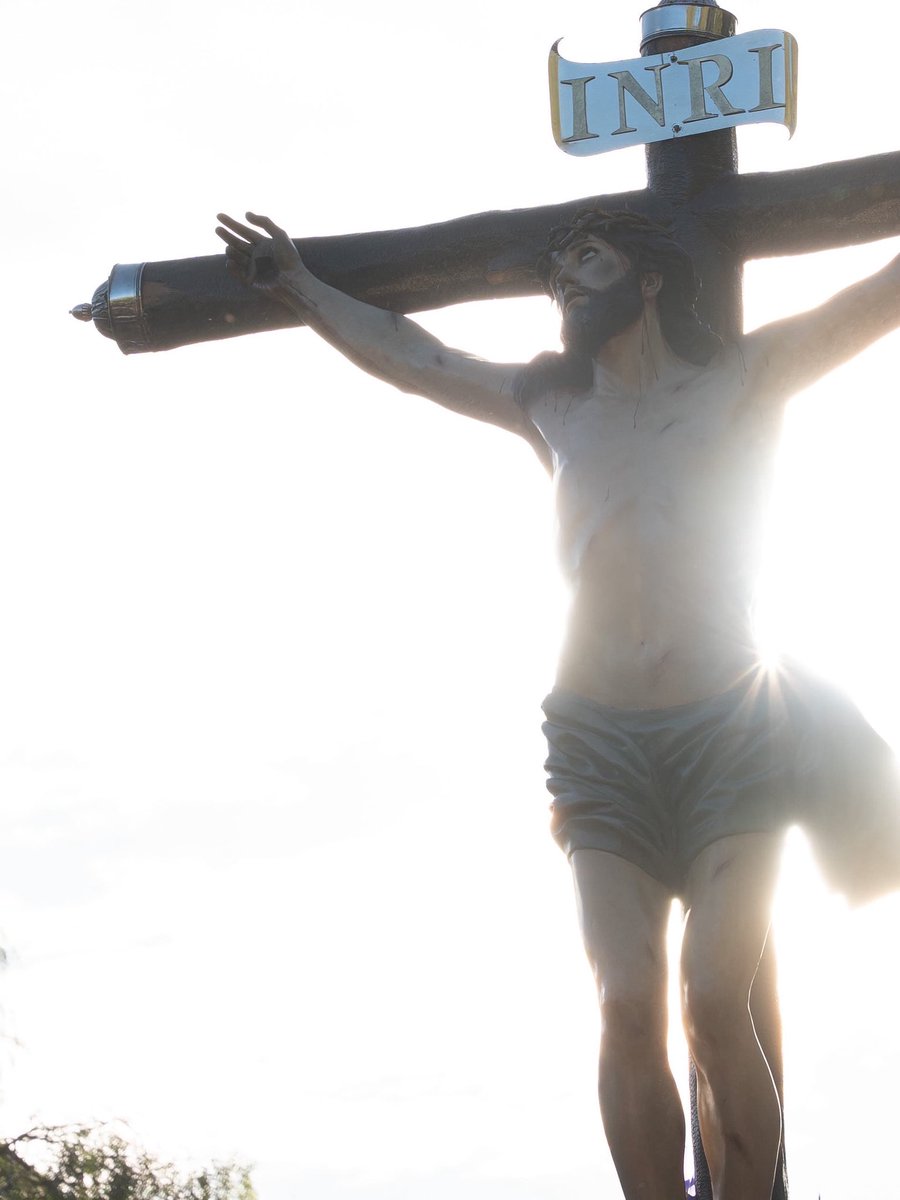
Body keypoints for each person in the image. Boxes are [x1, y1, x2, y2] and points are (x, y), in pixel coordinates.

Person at [214, 208, 900, 1200]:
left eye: (588, 258)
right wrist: (299, 284)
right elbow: (417, 356)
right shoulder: (552, 404)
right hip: (601, 745)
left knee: (716, 996)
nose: (567, 280)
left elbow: (866, 304)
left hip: (732, 735)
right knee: (625, 1001)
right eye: (558, 272)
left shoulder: (740, 380)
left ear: (649, 279)